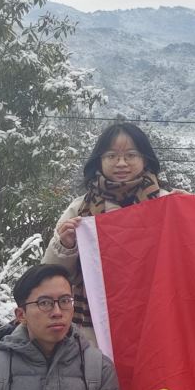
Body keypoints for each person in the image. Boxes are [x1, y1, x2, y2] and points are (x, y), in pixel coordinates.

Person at [42, 121, 172, 344]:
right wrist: (65, 245)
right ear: (99, 161)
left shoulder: (167, 204)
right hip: (94, 324)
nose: (121, 163)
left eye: (131, 155)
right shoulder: (80, 209)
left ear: (145, 159)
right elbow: (50, 274)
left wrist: (188, 212)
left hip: (155, 317)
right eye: (111, 156)